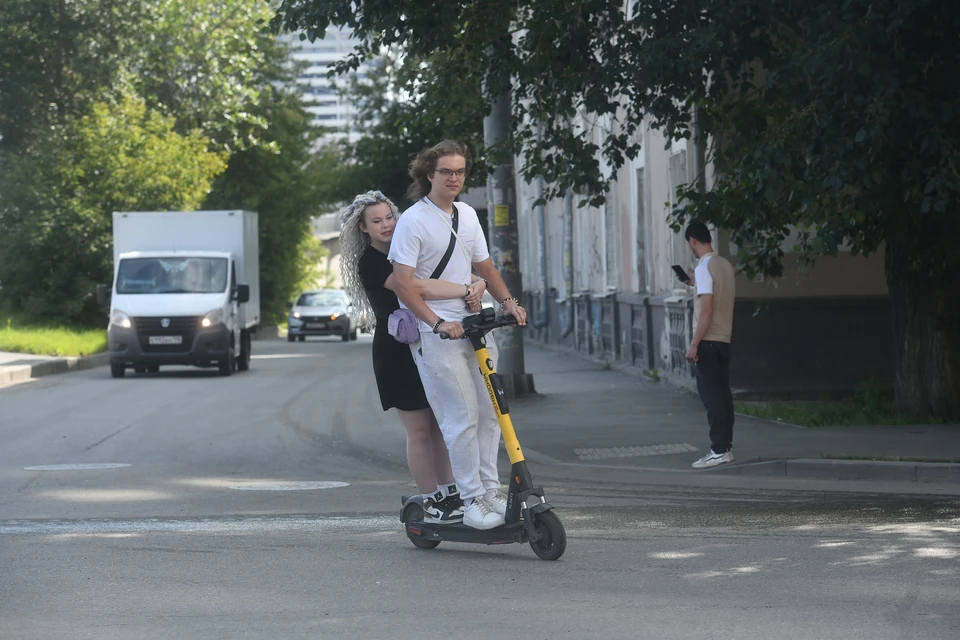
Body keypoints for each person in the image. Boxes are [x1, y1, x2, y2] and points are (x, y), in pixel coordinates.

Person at [388, 140, 528, 530]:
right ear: (428, 174)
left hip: (475, 327)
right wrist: (435, 323)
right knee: (461, 417)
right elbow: (403, 284)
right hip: (438, 334)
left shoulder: (466, 214)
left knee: (488, 415)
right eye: (446, 171)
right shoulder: (414, 220)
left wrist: (509, 302)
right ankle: (469, 501)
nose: (454, 178)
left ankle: (489, 491)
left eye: (460, 171)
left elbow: (485, 265)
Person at [338, 190, 488, 524]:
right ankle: (432, 498)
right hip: (397, 351)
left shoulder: (410, 250)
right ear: (363, 229)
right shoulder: (372, 263)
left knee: (441, 425)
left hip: (430, 342)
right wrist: (469, 287)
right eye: (376, 221)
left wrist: (476, 282)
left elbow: (442, 277)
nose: (386, 225)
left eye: (389, 217)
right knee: (420, 429)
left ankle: (451, 492)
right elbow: (414, 288)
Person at [683, 221, 737, 469]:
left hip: (707, 340)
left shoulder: (704, 266)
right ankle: (726, 447)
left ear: (693, 241)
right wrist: (696, 283)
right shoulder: (724, 265)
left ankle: (717, 449)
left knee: (711, 397)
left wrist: (694, 344)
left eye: (690, 244)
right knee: (723, 395)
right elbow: (718, 294)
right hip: (725, 338)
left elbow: (706, 311)